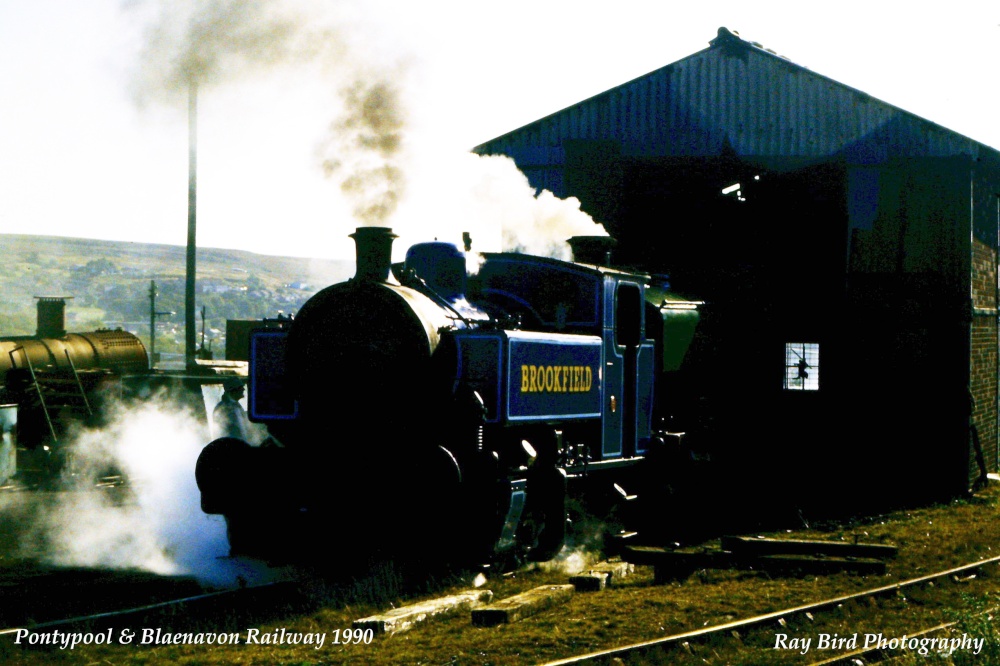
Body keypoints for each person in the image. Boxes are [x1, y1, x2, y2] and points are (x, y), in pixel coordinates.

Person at [212, 377, 254, 443]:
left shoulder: (237, 406)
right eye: (240, 387)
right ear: (233, 390)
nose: (243, 389)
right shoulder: (223, 408)